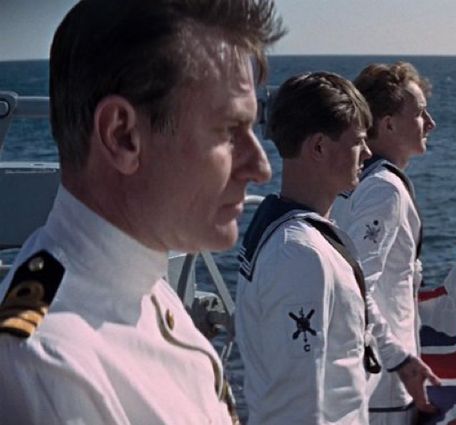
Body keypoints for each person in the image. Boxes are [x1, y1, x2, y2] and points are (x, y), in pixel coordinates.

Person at [0, 0, 283, 422]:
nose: (260, 167)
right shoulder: (52, 366)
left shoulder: (137, 279)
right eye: (228, 131)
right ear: (123, 136)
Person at [236, 71, 439, 424]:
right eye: (358, 140)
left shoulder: (297, 236)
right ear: (319, 147)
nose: (365, 153)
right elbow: (298, 406)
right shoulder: (301, 256)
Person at [331, 61, 436, 425]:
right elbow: (357, 286)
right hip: (384, 388)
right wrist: (400, 359)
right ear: (388, 124)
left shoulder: (355, 180)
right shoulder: (385, 191)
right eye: (420, 113)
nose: (431, 123)